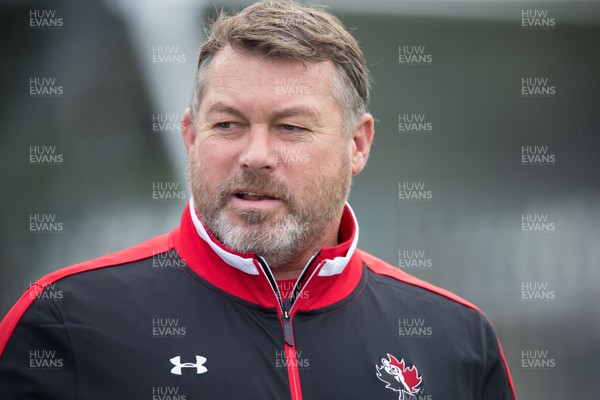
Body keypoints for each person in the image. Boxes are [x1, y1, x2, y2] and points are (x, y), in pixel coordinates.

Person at [0, 1, 516, 399]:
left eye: (290, 127)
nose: (256, 155)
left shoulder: (456, 339)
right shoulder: (64, 321)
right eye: (228, 124)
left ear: (357, 144)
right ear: (190, 136)